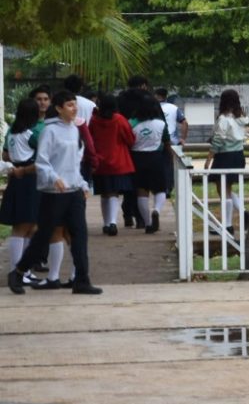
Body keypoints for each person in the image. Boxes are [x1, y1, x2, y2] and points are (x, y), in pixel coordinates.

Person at [30, 90, 102, 293]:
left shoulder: (77, 128)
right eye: (69, 105)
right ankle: (51, 276)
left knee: (74, 234)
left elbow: (78, 158)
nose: (74, 108)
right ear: (59, 108)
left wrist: (83, 183)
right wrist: (54, 178)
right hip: (54, 190)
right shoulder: (48, 129)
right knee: (54, 232)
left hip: (73, 189)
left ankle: (78, 278)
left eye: (74, 104)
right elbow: (42, 159)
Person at [2, 96, 44, 293]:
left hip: (16, 177)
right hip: (29, 177)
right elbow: (44, 155)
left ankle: (23, 270)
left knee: (28, 226)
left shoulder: (11, 131)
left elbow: (5, 154)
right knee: (24, 226)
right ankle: (17, 271)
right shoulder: (32, 133)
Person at [88, 93, 136, 236]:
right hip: (118, 161)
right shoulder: (119, 119)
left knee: (104, 193)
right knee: (114, 193)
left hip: (100, 162)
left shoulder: (94, 120)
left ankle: (106, 223)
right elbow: (130, 139)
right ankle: (113, 222)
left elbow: (90, 139)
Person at [127, 88, 170, 234]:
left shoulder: (131, 123)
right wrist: (169, 158)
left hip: (137, 158)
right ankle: (156, 210)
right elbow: (167, 142)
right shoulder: (161, 124)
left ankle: (148, 223)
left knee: (141, 191)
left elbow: (128, 141)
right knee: (160, 189)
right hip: (156, 158)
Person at [208, 89, 249, 229]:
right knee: (227, 188)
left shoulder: (224, 118)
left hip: (225, 156)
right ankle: (243, 213)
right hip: (239, 155)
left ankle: (227, 225)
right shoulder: (241, 117)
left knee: (222, 189)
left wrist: (208, 160)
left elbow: (218, 140)